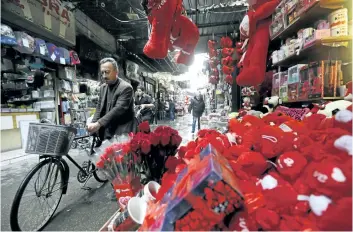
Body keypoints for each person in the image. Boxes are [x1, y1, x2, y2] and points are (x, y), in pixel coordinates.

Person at [87, 57, 137, 200]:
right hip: (109, 127)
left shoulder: (126, 88)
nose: (104, 76)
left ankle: (128, 191)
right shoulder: (103, 88)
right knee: (111, 161)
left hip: (124, 128)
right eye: (102, 73)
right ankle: (118, 188)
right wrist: (94, 122)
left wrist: (99, 124)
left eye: (107, 72)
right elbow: (99, 108)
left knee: (123, 161)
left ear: (116, 71)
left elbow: (118, 109)